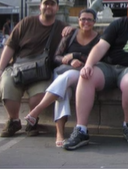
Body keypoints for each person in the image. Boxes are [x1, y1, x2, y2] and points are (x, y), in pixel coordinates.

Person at [62, 0, 128, 150]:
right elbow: (101, 46)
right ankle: (81, 129)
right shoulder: (118, 24)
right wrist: (88, 64)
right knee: (86, 76)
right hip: (108, 67)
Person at [24, 8, 100, 147]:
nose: (86, 22)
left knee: (69, 75)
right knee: (63, 92)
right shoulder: (70, 35)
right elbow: (56, 57)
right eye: (83, 19)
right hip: (64, 73)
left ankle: (37, 110)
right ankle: (60, 133)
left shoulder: (99, 38)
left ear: (94, 22)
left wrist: (76, 56)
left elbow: (100, 58)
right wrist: (70, 61)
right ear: (78, 20)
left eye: (89, 19)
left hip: (83, 75)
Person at [0, 0, 69, 137]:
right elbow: (10, 46)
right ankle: (13, 121)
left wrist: (73, 30)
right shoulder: (26, 23)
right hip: (18, 68)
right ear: (40, 7)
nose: (48, 7)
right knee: (7, 85)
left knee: (40, 93)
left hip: (41, 72)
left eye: (52, 4)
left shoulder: (61, 27)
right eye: (45, 4)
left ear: (57, 8)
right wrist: (1, 68)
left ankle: (32, 121)